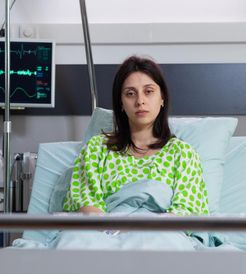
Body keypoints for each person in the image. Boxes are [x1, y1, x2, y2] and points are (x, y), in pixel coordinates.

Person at [63, 55, 208, 215]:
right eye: (130, 93)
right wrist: (114, 233)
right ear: (121, 103)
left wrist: (146, 234)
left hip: (162, 234)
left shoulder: (183, 154)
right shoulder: (97, 149)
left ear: (162, 98)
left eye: (149, 92)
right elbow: (86, 202)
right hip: (104, 233)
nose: (140, 101)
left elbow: (187, 210)